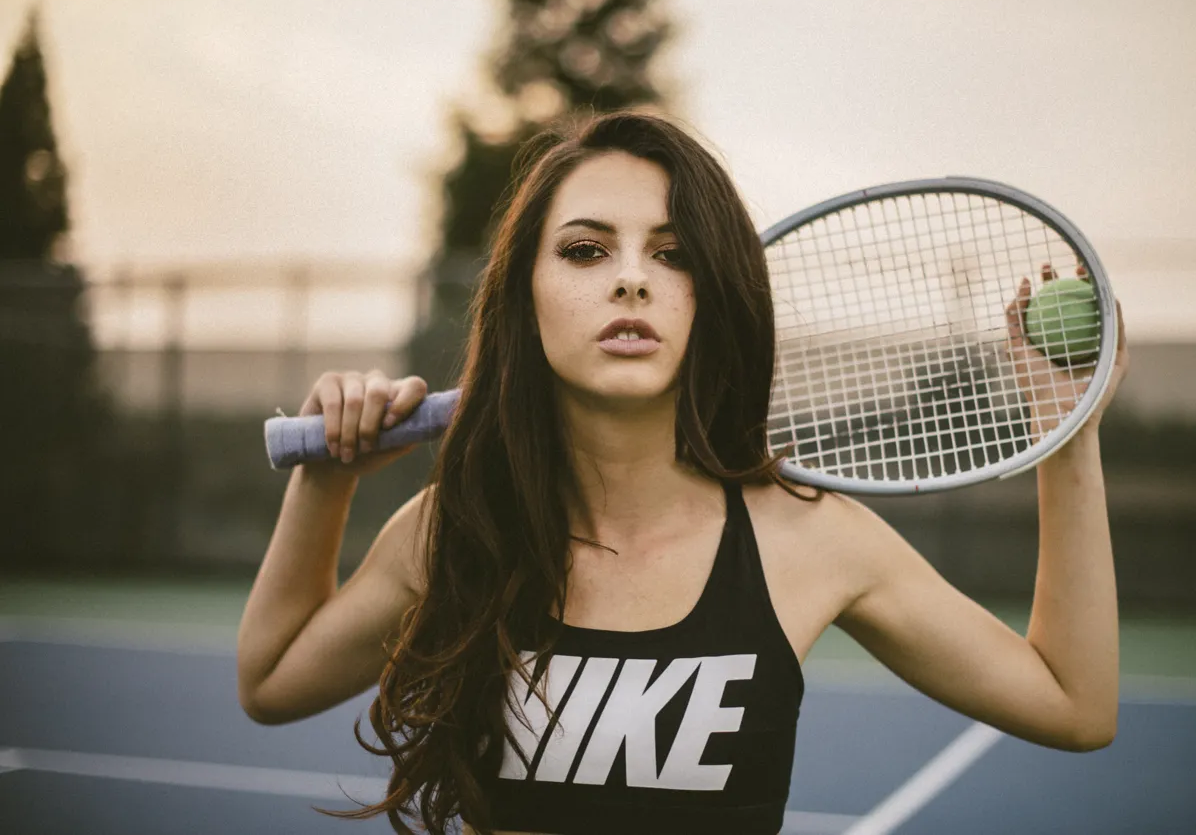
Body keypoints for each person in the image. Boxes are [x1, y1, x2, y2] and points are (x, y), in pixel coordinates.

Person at [236, 110, 1130, 835]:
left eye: (673, 255)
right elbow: (272, 684)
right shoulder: (457, 526)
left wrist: (1067, 433)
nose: (632, 280)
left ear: (713, 297)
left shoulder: (805, 538)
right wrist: (328, 476)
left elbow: (1074, 705)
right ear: (527, 294)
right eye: (586, 250)